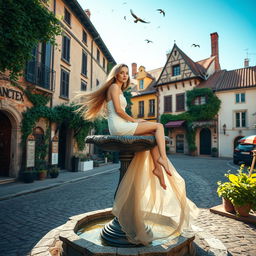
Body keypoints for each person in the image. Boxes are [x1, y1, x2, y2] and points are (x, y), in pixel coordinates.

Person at [77, 64, 199, 245]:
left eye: (127, 73)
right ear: (116, 74)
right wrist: (135, 120)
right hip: (119, 127)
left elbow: (120, 112)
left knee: (151, 135)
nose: (125, 76)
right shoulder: (113, 87)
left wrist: (136, 121)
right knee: (158, 126)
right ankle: (162, 159)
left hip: (119, 125)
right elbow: (119, 111)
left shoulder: (117, 88)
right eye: (122, 73)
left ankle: (158, 167)